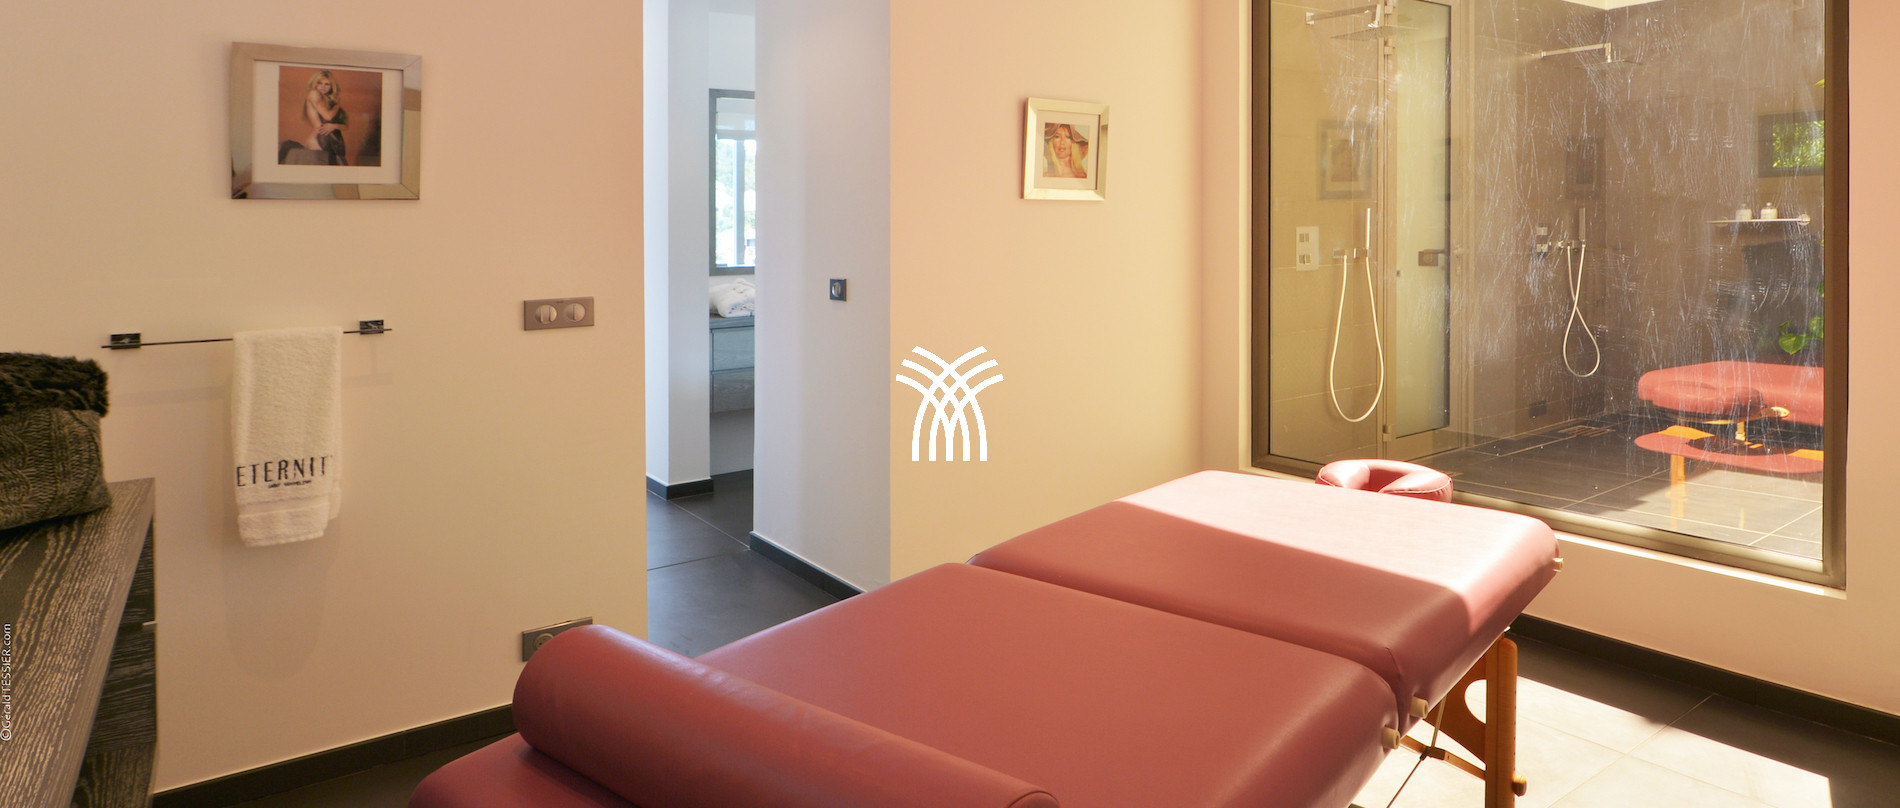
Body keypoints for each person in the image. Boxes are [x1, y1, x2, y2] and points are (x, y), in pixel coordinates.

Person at [278, 70, 349, 166]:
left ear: (332, 86)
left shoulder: (330, 101)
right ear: (314, 83)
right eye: (319, 83)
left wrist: (334, 126)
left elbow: (345, 126)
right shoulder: (314, 93)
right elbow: (327, 116)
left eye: (327, 84)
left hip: (333, 140)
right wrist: (337, 105)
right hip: (320, 138)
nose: (323, 86)